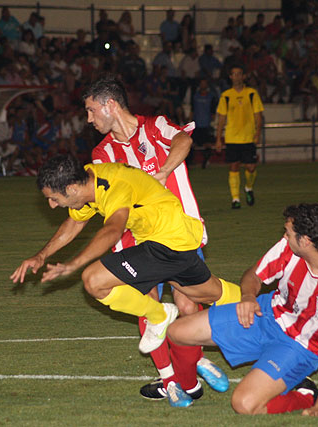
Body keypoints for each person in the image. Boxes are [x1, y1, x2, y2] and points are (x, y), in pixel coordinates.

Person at [11, 154, 241, 408]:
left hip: (166, 243)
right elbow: (75, 222)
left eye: (54, 199)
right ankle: (263, 308)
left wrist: (74, 265)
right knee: (209, 294)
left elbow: (112, 230)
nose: (53, 205)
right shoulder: (89, 179)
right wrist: (41, 255)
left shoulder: (113, 186)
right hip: (175, 239)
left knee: (93, 280)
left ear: (71, 189)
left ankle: (160, 315)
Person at [84, 75, 232, 405]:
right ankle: (176, 381)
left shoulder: (156, 127)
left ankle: (190, 370)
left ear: (110, 105)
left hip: (178, 231)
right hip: (137, 237)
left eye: (92, 111)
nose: (89, 119)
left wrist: (163, 172)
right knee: (151, 307)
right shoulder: (102, 153)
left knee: (186, 305)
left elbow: (183, 140)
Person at [168, 203, 318, 416]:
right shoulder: (290, 247)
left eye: (288, 232)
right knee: (177, 332)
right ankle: (189, 389)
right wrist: (248, 297)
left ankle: (306, 395)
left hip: (300, 347)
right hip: (267, 314)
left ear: (306, 241)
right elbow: (254, 275)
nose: (284, 235)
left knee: (244, 404)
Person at [215, 64, 264, 209]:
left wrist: (257, 133)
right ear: (230, 77)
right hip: (232, 137)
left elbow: (258, 116)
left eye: (239, 74)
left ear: (243, 76)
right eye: (234, 74)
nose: (237, 76)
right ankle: (235, 199)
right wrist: (218, 138)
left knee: (250, 167)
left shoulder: (251, 93)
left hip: (248, 137)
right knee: (234, 166)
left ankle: (248, 188)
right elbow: (221, 119)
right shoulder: (226, 96)